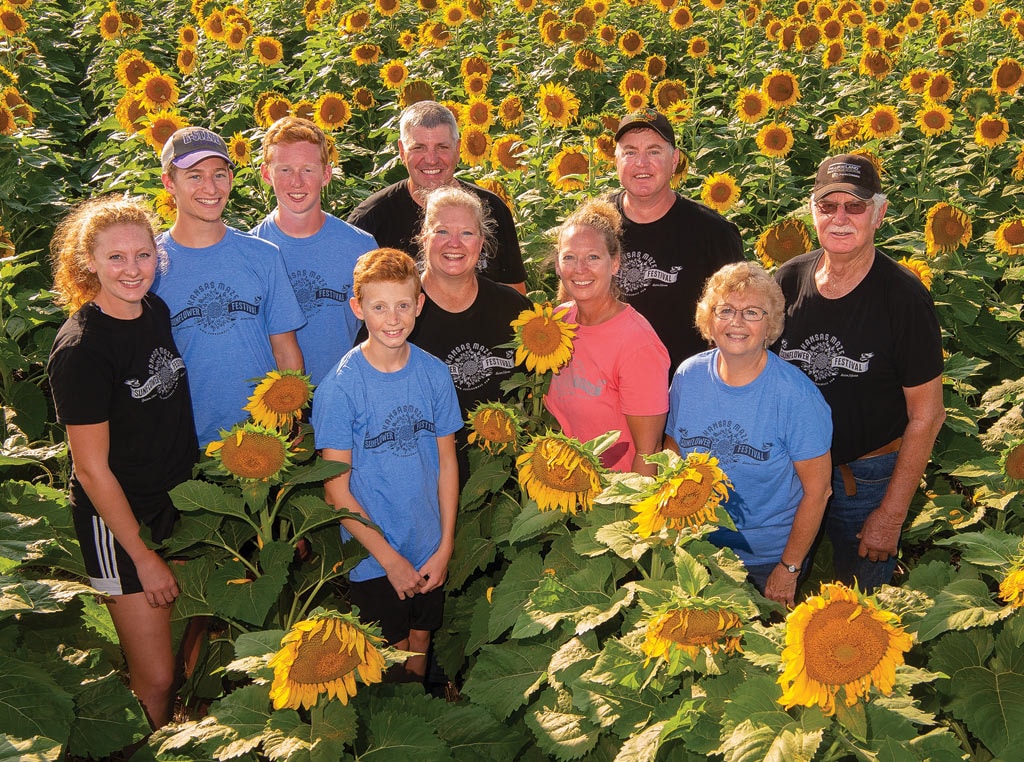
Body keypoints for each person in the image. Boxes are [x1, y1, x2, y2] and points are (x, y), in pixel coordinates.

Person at [47, 196, 198, 729]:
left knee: (191, 636)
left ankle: (183, 734)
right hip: (122, 522)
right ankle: (144, 743)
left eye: (143, 254)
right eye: (116, 258)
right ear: (88, 261)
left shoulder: (153, 311)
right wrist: (142, 555)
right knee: (155, 677)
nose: (133, 270)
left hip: (178, 502)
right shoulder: (83, 349)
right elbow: (90, 470)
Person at [775, 154, 945, 592]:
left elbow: (927, 415)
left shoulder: (903, 298)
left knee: (859, 605)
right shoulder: (790, 280)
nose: (840, 218)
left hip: (865, 480)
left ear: (879, 213)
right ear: (812, 211)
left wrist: (890, 515)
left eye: (855, 206)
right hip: (792, 474)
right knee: (777, 589)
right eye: (827, 206)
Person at [312, 248, 461, 682]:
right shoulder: (340, 389)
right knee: (391, 660)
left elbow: (447, 464)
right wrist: (390, 559)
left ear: (419, 304)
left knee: (420, 641)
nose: (391, 318)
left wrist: (445, 544)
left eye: (402, 305)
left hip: (428, 544)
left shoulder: (434, 374)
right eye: (378, 307)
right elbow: (335, 491)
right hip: (375, 556)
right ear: (358, 308)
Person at [664, 262, 832, 606]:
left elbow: (818, 491)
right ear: (709, 320)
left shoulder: (796, 396)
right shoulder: (687, 376)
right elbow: (672, 453)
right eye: (725, 310)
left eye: (752, 312)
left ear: (771, 325)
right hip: (697, 550)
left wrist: (788, 568)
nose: (736, 322)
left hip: (766, 559)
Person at [152, 126, 306, 445]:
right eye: (195, 176)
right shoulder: (149, 265)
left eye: (219, 174)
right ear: (169, 183)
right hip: (183, 444)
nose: (210, 187)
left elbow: (285, 348)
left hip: (262, 436)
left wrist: (291, 417)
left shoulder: (263, 256)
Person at [411, 185, 531, 484]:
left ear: (482, 241)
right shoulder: (398, 310)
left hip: (501, 477)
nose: (455, 243)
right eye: (441, 232)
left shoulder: (512, 308)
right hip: (423, 480)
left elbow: (538, 388)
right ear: (424, 237)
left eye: (466, 233)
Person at [610, 107, 744, 373]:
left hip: (685, 392)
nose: (641, 163)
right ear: (616, 162)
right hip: (606, 389)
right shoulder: (595, 225)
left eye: (654, 151)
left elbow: (737, 319)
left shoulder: (712, 233)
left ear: (674, 160)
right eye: (630, 152)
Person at [347, 100, 528, 293]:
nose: (432, 159)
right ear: (401, 151)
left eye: (442, 147)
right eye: (419, 148)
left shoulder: (491, 209)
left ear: (458, 148)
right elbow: (351, 303)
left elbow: (515, 297)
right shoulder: (370, 222)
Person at [545, 198, 670, 476]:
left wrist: (626, 514)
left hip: (611, 499)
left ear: (614, 264)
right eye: (569, 257)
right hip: (563, 487)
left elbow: (648, 454)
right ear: (557, 265)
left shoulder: (637, 344)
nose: (580, 268)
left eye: (593, 257)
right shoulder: (557, 323)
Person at [252, 117, 378, 385]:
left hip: (347, 399)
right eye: (285, 170)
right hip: (274, 408)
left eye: (308, 170)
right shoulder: (250, 251)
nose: (296, 182)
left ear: (326, 174)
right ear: (266, 174)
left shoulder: (361, 248)